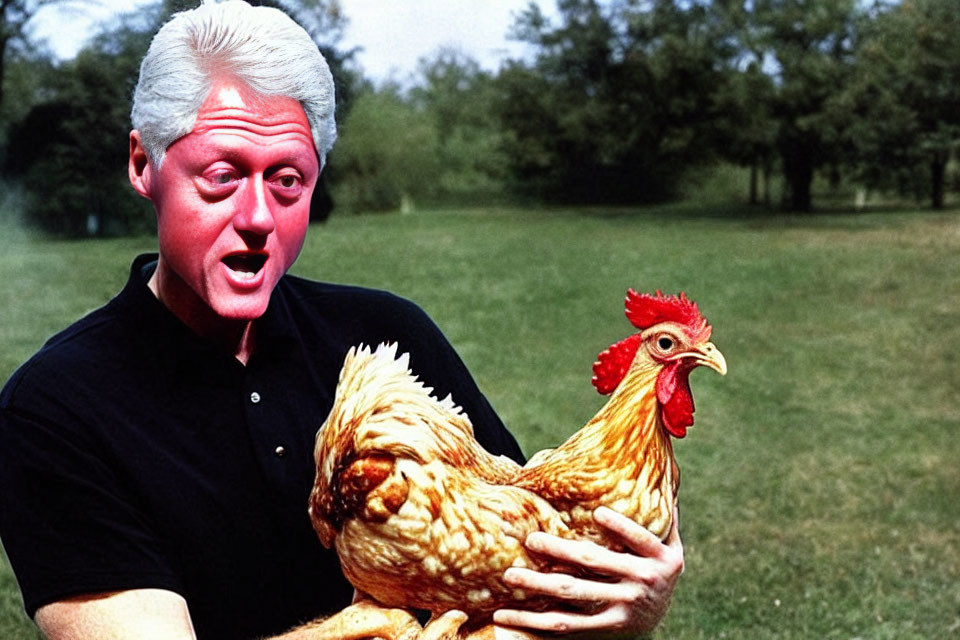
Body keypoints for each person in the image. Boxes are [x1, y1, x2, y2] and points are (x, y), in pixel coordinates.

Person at [0, 2, 683, 639]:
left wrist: (620, 605)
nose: (258, 218)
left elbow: (529, 556)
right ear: (144, 164)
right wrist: (375, 627)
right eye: (222, 176)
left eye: (287, 180)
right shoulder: (57, 409)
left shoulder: (388, 338)